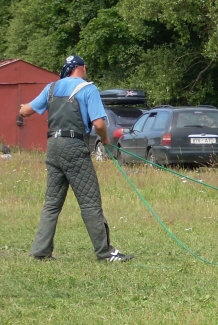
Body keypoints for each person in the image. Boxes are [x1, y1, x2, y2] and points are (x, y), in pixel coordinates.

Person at [19, 55, 134, 262]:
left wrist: (22, 107)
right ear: (83, 68)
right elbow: (99, 124)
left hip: (53, 147)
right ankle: (105, 252)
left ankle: (40, 251)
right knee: (90, 201)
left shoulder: (51, 88)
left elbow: (26, 111)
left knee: (52, 203)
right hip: (73, 146)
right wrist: (106, 141)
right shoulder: (88, 89)